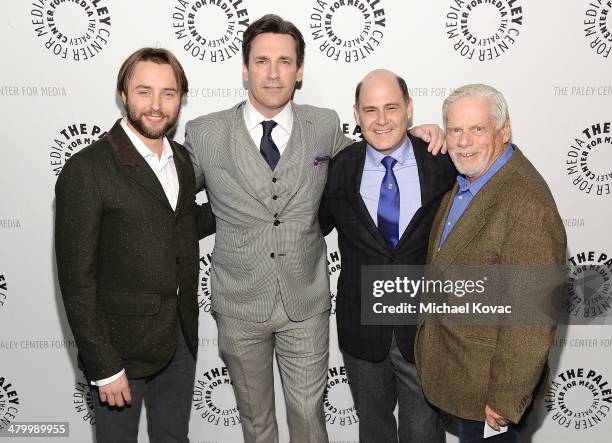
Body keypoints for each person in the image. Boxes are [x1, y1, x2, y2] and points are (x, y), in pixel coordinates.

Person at [184, 14, 444, 443]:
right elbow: (171, 199)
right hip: (239, 304)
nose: (273, 72)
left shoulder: (323, 126)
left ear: (299, 70)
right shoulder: (205, 132)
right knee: (256, 422)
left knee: (308, 417)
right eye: (262, 60)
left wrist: (418, 133)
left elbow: (375, 153)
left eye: (284, 61)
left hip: (306, 304)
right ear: (245, 67)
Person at [55, 47, 215, 443]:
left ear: (180, 98)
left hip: (179, 339)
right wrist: (103, 365)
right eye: (144, 92)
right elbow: (77, 281)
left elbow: (180, 225)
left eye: (169, 93)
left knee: (174, 438)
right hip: (119, 349)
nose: (157, 105)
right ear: (123, 94)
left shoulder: (179, 159)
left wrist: (243, 203)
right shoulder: (87, 168)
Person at [415, 84, 566, 443]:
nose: (464, 141)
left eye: (477, 129)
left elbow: (531, 317)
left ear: (504, 130)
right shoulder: (472, 180)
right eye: (455, 130)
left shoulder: (526, 203)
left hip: (491, 399)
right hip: (462, 376)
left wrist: (505, 399)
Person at [318, 69, 456, 442]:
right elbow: (312, 226)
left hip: (425, 329)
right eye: (371, 110)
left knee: (424, 433)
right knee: (374, 430)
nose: (381, 120)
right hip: (362, 328)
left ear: (409, 109)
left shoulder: (442, 163)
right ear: (357, 114)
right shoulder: (338, 169)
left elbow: (496, 160)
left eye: (392, 107)